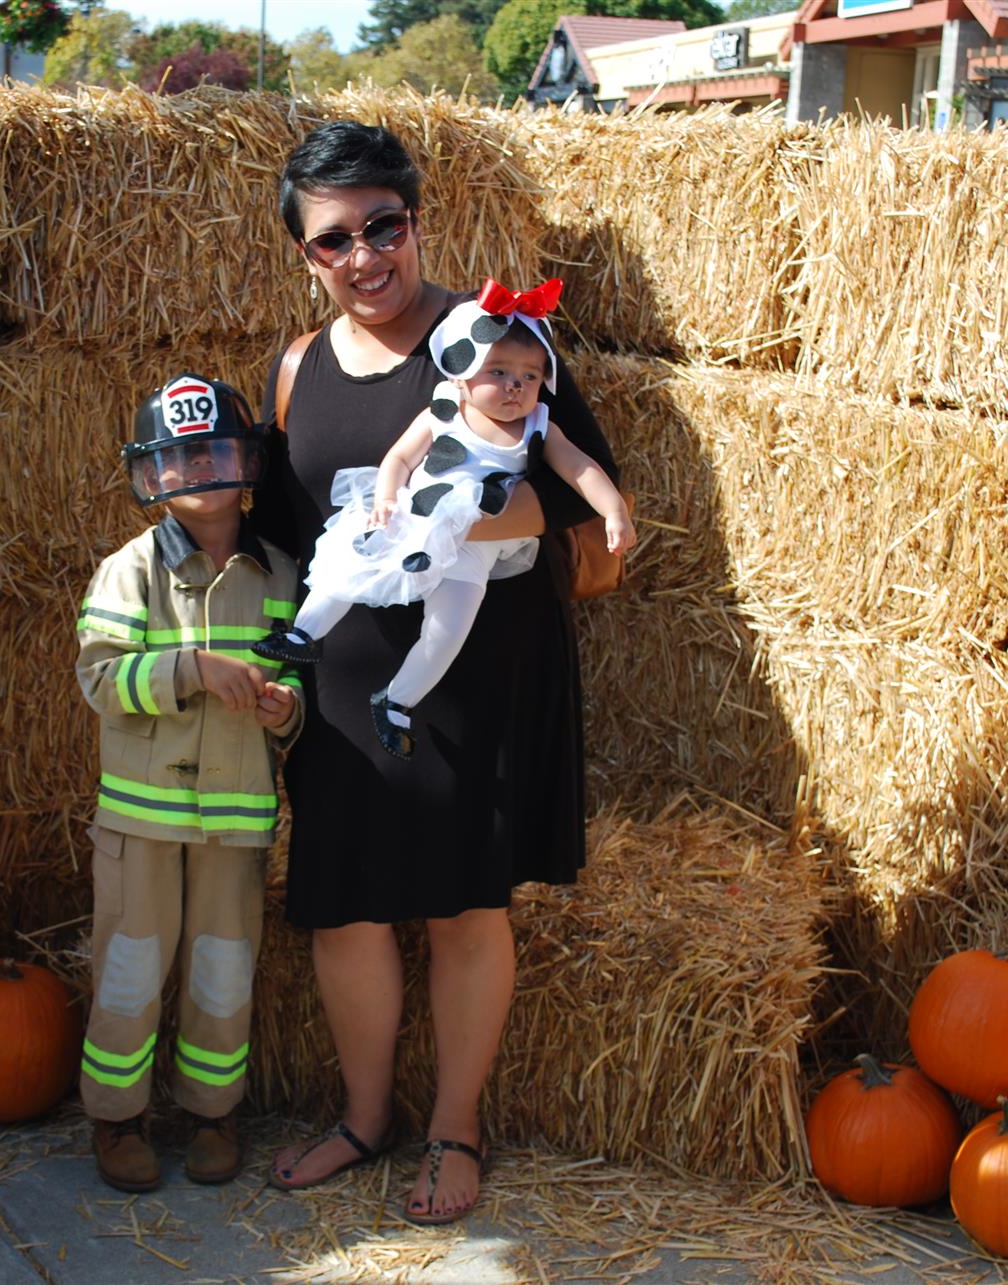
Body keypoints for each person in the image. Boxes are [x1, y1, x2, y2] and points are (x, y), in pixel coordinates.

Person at [249, 122, 620, 1225]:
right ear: (304, 254)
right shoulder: (293, 372)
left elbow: (574, 490)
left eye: (383, 226)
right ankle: (365, 1119)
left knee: (465, 903)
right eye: (333, 240)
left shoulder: (489, 337)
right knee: (343, 907)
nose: (364, 255)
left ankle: (455, 1127)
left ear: (417, 221)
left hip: (476, 666)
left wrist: (451, 514)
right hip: (344, 678)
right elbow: (283, 526)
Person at [74, 373, 305, 1193]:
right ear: (151, 476)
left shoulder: (280, 574)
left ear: (247, 465)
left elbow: (301, 685)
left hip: (237, 817)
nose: (199, 475)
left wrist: (284, 707)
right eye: (178, 461)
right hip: (142, 820)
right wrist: (192, 669)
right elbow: (100, 680)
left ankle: (213, 1110)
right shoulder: (128, 572)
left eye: (215, 455)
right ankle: (116, 1115)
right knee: (131, 968)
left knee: (222, 966)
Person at [255, 278, 633, 759]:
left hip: (474, 544)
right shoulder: (443, 411)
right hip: (414, 516)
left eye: (530, 376)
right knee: (349, 565)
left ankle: (396, 700)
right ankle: (303, 633)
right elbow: (397, 459)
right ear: (460, 372)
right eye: (498, 371)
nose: (515, 386)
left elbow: (582, 469)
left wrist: (613, 510)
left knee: (448, 629)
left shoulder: (540, 427)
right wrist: (386, 500)